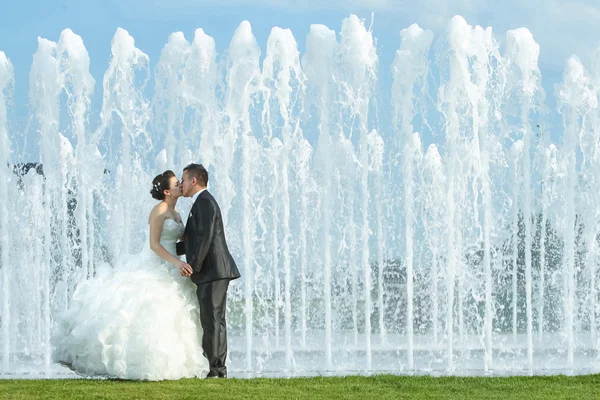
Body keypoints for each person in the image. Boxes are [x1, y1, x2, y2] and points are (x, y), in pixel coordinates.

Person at [52, 170, 209, 381]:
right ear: (166, 191)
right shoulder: (159, 211)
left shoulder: (177, 214)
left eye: (180, 182)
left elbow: (177, 243)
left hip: (174, 265)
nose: (181, 185)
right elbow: (154, 245)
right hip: (158, 265)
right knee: (152, 309)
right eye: (175, 184)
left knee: (179, 312)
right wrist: (177, 262)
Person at [179, 163, 240, 379]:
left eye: (183, 179)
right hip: (212, 270)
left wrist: (193, 266)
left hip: (213, 270)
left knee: (212, 320)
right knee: (213, 320)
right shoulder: (200, 203)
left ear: (193, 181)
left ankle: (216, 370)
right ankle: (216, 368)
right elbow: (195, 240)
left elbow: (205, 238)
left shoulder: (205, 203)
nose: (181, 184)